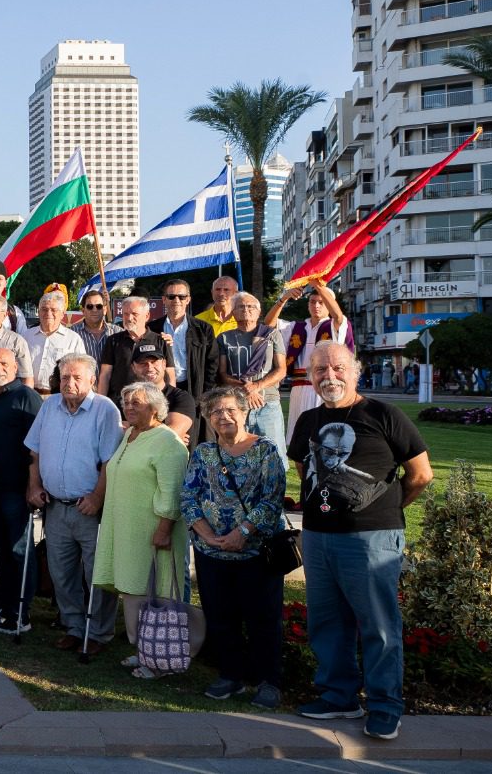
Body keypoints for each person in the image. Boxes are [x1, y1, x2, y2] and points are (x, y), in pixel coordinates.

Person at [288, 342, 432, 741]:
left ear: (355, 371)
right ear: (311, 376)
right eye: (319, 370)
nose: (328, 376)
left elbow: (420, 474)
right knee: (327, 621)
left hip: (371, 538)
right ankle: (339, 697)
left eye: (337, 367)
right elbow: (304, 467)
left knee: (378, 625)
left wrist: (383, 508)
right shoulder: (308, 419)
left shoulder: (384, 414)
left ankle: (386, 706)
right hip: (318, 537)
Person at [182, 387, 288, 709]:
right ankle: (230, 675)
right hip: (210, 552)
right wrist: (206, 534)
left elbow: (272, 500)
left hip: (255, 552)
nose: (224, 416)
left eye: (230, 410)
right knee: (220, 615)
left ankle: (269, 680)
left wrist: (241, 532)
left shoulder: (265, 452)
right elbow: (188, 497)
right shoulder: (202, 454)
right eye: (216, 412)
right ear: (208, 418)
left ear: (244, 413)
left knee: (262, 617)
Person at [91, 382, 195, 678]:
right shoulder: (130, 435)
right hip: (127, 531)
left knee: (158, 593)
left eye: (136, 402)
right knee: (134, 591)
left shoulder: (168, 441)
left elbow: (173, 492)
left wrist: (163, 530)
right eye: (126, 402)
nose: (129, 407)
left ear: (155, 408)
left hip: (154, 533)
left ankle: (161, 661)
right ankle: (143, 650)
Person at [26, 354, 124, 656]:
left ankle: (98, 631)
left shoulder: (104, 410)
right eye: (65, 376)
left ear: (92, 380)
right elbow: (35, 452)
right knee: (61, 572)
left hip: (88, 508)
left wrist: (97, 497)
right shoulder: (49, 407)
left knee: (97, 574)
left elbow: (110, 461)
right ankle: (74, 626)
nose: (69, 382)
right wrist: (34, 486)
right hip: (55, 507)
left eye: (77, 377)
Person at [0, 348, 43, 635]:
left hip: (17, 489)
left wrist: (33, 485)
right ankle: (4, 605)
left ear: (16, 365)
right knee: (2, 552)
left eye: (3, 363)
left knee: (19, 551)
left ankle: (21, 613)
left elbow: (37, 446)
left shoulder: (27, 397)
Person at [269, 281, 354, 447]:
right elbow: (269, 323)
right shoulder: (297, 327)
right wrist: (284, 297)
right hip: (299, 386)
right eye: (313, 301)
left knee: (323, 433)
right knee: (299, 435)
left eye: (322, 302)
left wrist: (319, 285)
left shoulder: (334, 326)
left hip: (325, 386)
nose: (316, 305)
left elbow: (338, 316)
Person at [216, 292, 289, 455]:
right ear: (233, 312)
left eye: (251, 306)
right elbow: (222, 373)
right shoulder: (224, 338)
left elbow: (281, 369)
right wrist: (246, 389)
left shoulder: (272, 334)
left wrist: (256, 386)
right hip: (237, 406)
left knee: (273, 454)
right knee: (238, 454)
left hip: (268, 403)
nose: (246, 309)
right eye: (240, 306)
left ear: (259, 312)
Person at [97, 295, 175, 405]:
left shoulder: (161, 341)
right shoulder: (113, 340)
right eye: (125, 314)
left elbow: (170, 375)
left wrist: (170, 403)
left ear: (147, 316)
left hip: (152, 405)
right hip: (120, 404)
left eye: (134, 314)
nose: (129, 318)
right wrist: (101, 403)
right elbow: (105, 375)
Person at [156, 280, 218, 399]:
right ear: (164, 299)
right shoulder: (153, 328)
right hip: (161, 390)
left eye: (182, 297)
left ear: (188, 299)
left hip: (194, 390)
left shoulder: (203, 329)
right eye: (171, 296)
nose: (176, 300)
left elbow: (212, 363)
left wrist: (206, 392)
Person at [130, 345, 197, 446]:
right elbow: (119, 436)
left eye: (154, 362)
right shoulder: (127, 399)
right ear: (133, 368)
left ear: (164, 364)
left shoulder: (181, 398)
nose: (149, 367)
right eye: (143, 363)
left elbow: (170, 436)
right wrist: (162, 436)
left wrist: (135, 436)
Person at [21, 290, 86, 393]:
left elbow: (81, 371)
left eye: (53, 310)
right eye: (44, 309)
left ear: (62, 314)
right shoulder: (26, 336)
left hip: (60, 396)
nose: (48, 313)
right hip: (29, 395)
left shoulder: (73, 339)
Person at [72, 287, 113, 362]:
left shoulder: (117, 332)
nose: (94, 310)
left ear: (105, 310)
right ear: (83, 311)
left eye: (99, 306)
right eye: (90, 306)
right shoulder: (72, 333)